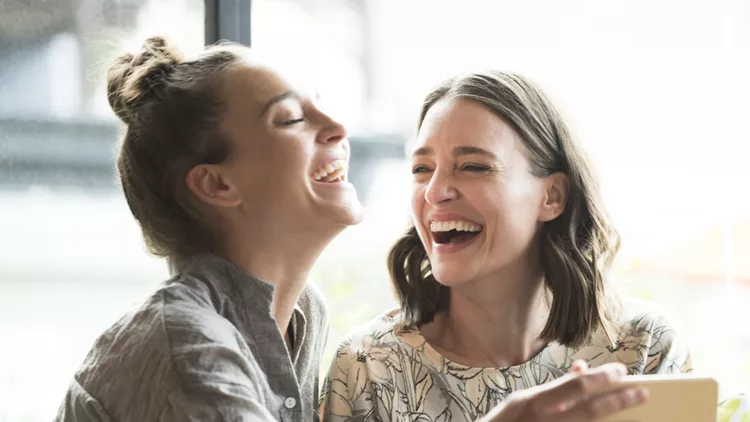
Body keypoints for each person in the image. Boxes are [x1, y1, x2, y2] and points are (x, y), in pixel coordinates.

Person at [320, 71, 692, 422]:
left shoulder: (643, 348)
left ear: (552, 196)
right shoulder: (367, 366)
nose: (434, 191)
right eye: (421, 169)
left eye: (473, 167)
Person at [55, 36, 363, 422]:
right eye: (291, 119)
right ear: (217, 185)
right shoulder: (188, 350)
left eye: (320, 105)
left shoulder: (304, 313)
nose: (338, 127)